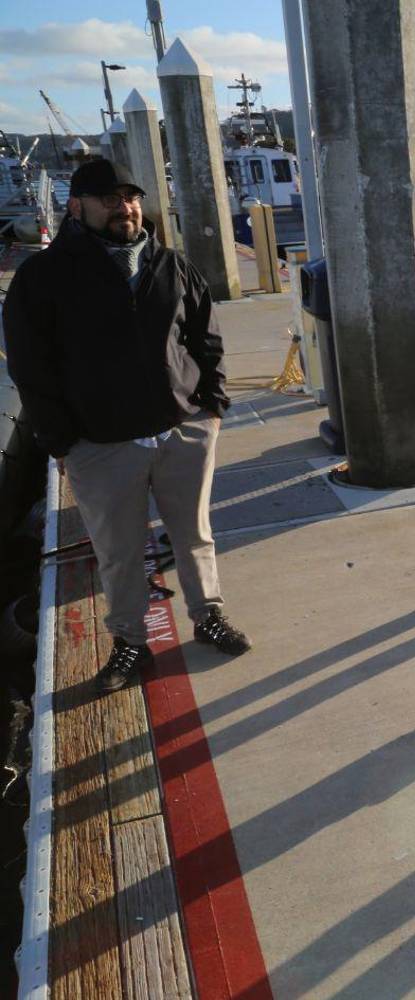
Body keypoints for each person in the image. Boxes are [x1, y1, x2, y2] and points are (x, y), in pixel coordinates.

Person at [3, 159, 251, 694]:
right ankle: (129, 642)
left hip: (182, 431)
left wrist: (210, 405)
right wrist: (63, 440)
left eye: (130, 197)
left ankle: (208, 614)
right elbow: (30, 366)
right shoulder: (43, 277)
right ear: (77, 207)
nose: (124, 208)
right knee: (118, 551)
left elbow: (205, 339)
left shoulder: (172, 265)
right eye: (109, 200)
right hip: (101, 443)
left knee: (195, 536)